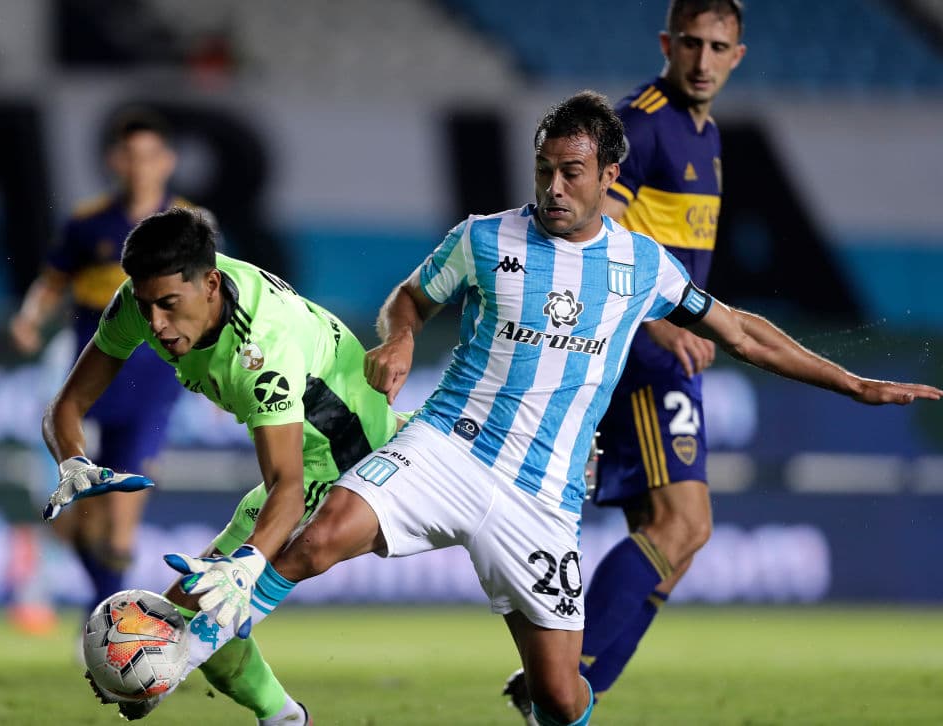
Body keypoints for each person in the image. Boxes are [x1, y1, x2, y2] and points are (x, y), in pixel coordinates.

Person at [156, 90, 939, 726]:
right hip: (446, 448)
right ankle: (175, 657)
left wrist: (854, 384)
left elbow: (741, 332)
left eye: (571, 172)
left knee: (559, 698)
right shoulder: (484, 239)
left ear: (607, 175)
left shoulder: (642, 265)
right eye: (544, 170)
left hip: (542, 496)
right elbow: (411, 298)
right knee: (319, 535)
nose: (554, 187)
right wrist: (398, 339)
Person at [42, 206, 405, 723]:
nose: (156, 325)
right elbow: (65, 407)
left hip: (349, 460)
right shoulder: (143, 301)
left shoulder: (260, 349)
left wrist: (246, 565)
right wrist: (72, 460)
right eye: (146, 306)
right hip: (305, 464)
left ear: (210, 284)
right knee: (190, 610)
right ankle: (285, 718)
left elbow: (287, 488)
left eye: (169, 306)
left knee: (199, 613)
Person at [504, 0, 747, 718]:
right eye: (692, 44)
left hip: (669, 352)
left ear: (738, 56)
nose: (703, 60)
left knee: (675, 540)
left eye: (718, 47)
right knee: (684, 525)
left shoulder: (705, 133)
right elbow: (588, 243)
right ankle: (563, 681)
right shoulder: (639, 125)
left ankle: (569, 689)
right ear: (668, 43)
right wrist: (662, 325)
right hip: (642, 351)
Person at [9, 107, 188, 628]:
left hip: (152, 384)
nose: (140, 167)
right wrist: (30, 318)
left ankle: (107, 627)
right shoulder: (88, 224)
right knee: (79, 516)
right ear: (115, 161)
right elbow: (52, 282)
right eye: (131, 156)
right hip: (92, 379)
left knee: (119, 528)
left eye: (150, 156)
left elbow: (213, 299)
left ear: (167, 161)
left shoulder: (188, 225)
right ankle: (105, 619)